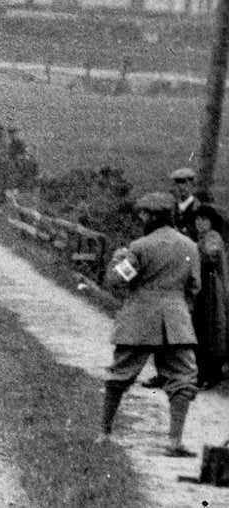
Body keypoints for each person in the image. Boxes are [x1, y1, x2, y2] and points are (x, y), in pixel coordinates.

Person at [98, 192, 201, 457]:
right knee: (183, 379)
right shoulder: (190, 246)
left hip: (139, 319)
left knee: (119, 375)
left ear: (153, 216)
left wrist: (116, 259)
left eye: (144, 214)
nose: (141, 218)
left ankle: (105, 434)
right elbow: (194, 287)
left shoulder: (140, 247)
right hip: (177, 321)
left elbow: (115, 280)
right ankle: (174, 442)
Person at [193, 204, 229, 389]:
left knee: (208, 329)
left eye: (204, 220)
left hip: (212, 288)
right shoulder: (203, 238)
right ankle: (207, 374)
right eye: (198, 219)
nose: (199, 223)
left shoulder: (212, 237)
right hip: (205, 287)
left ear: (211, 222)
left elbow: (208, 255)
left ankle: (208, 374)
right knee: (204, 330)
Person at [171, 167, 202, 241]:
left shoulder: (198, 207)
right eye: (177, 183)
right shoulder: (171, 207)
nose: (181, 187)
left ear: (193, 184)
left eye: (185, 183)